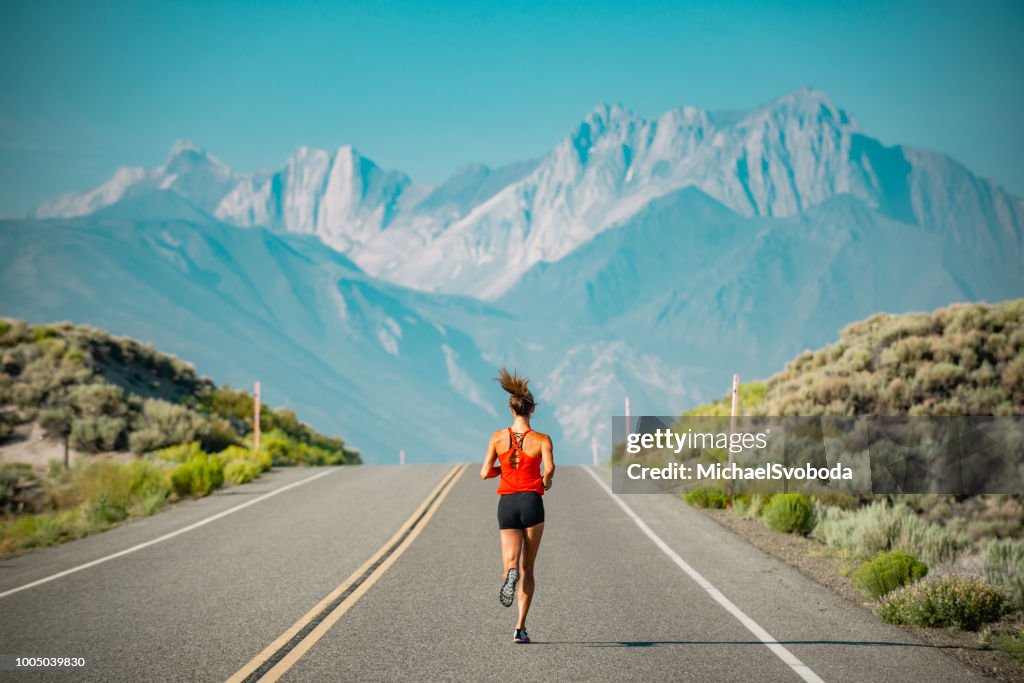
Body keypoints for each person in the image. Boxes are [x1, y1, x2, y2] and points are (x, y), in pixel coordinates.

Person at [480, 368, 554, 644]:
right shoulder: (542, 439)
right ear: (532, 410)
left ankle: (508, 574)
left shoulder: (498, 437)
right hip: (532, 503)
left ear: (512, 410)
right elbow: (550, 469)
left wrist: (504, 470)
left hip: (507, 503)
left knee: (510, 563)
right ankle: (520, 628)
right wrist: (545, 481)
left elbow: (484, 471)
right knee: (529, 568)